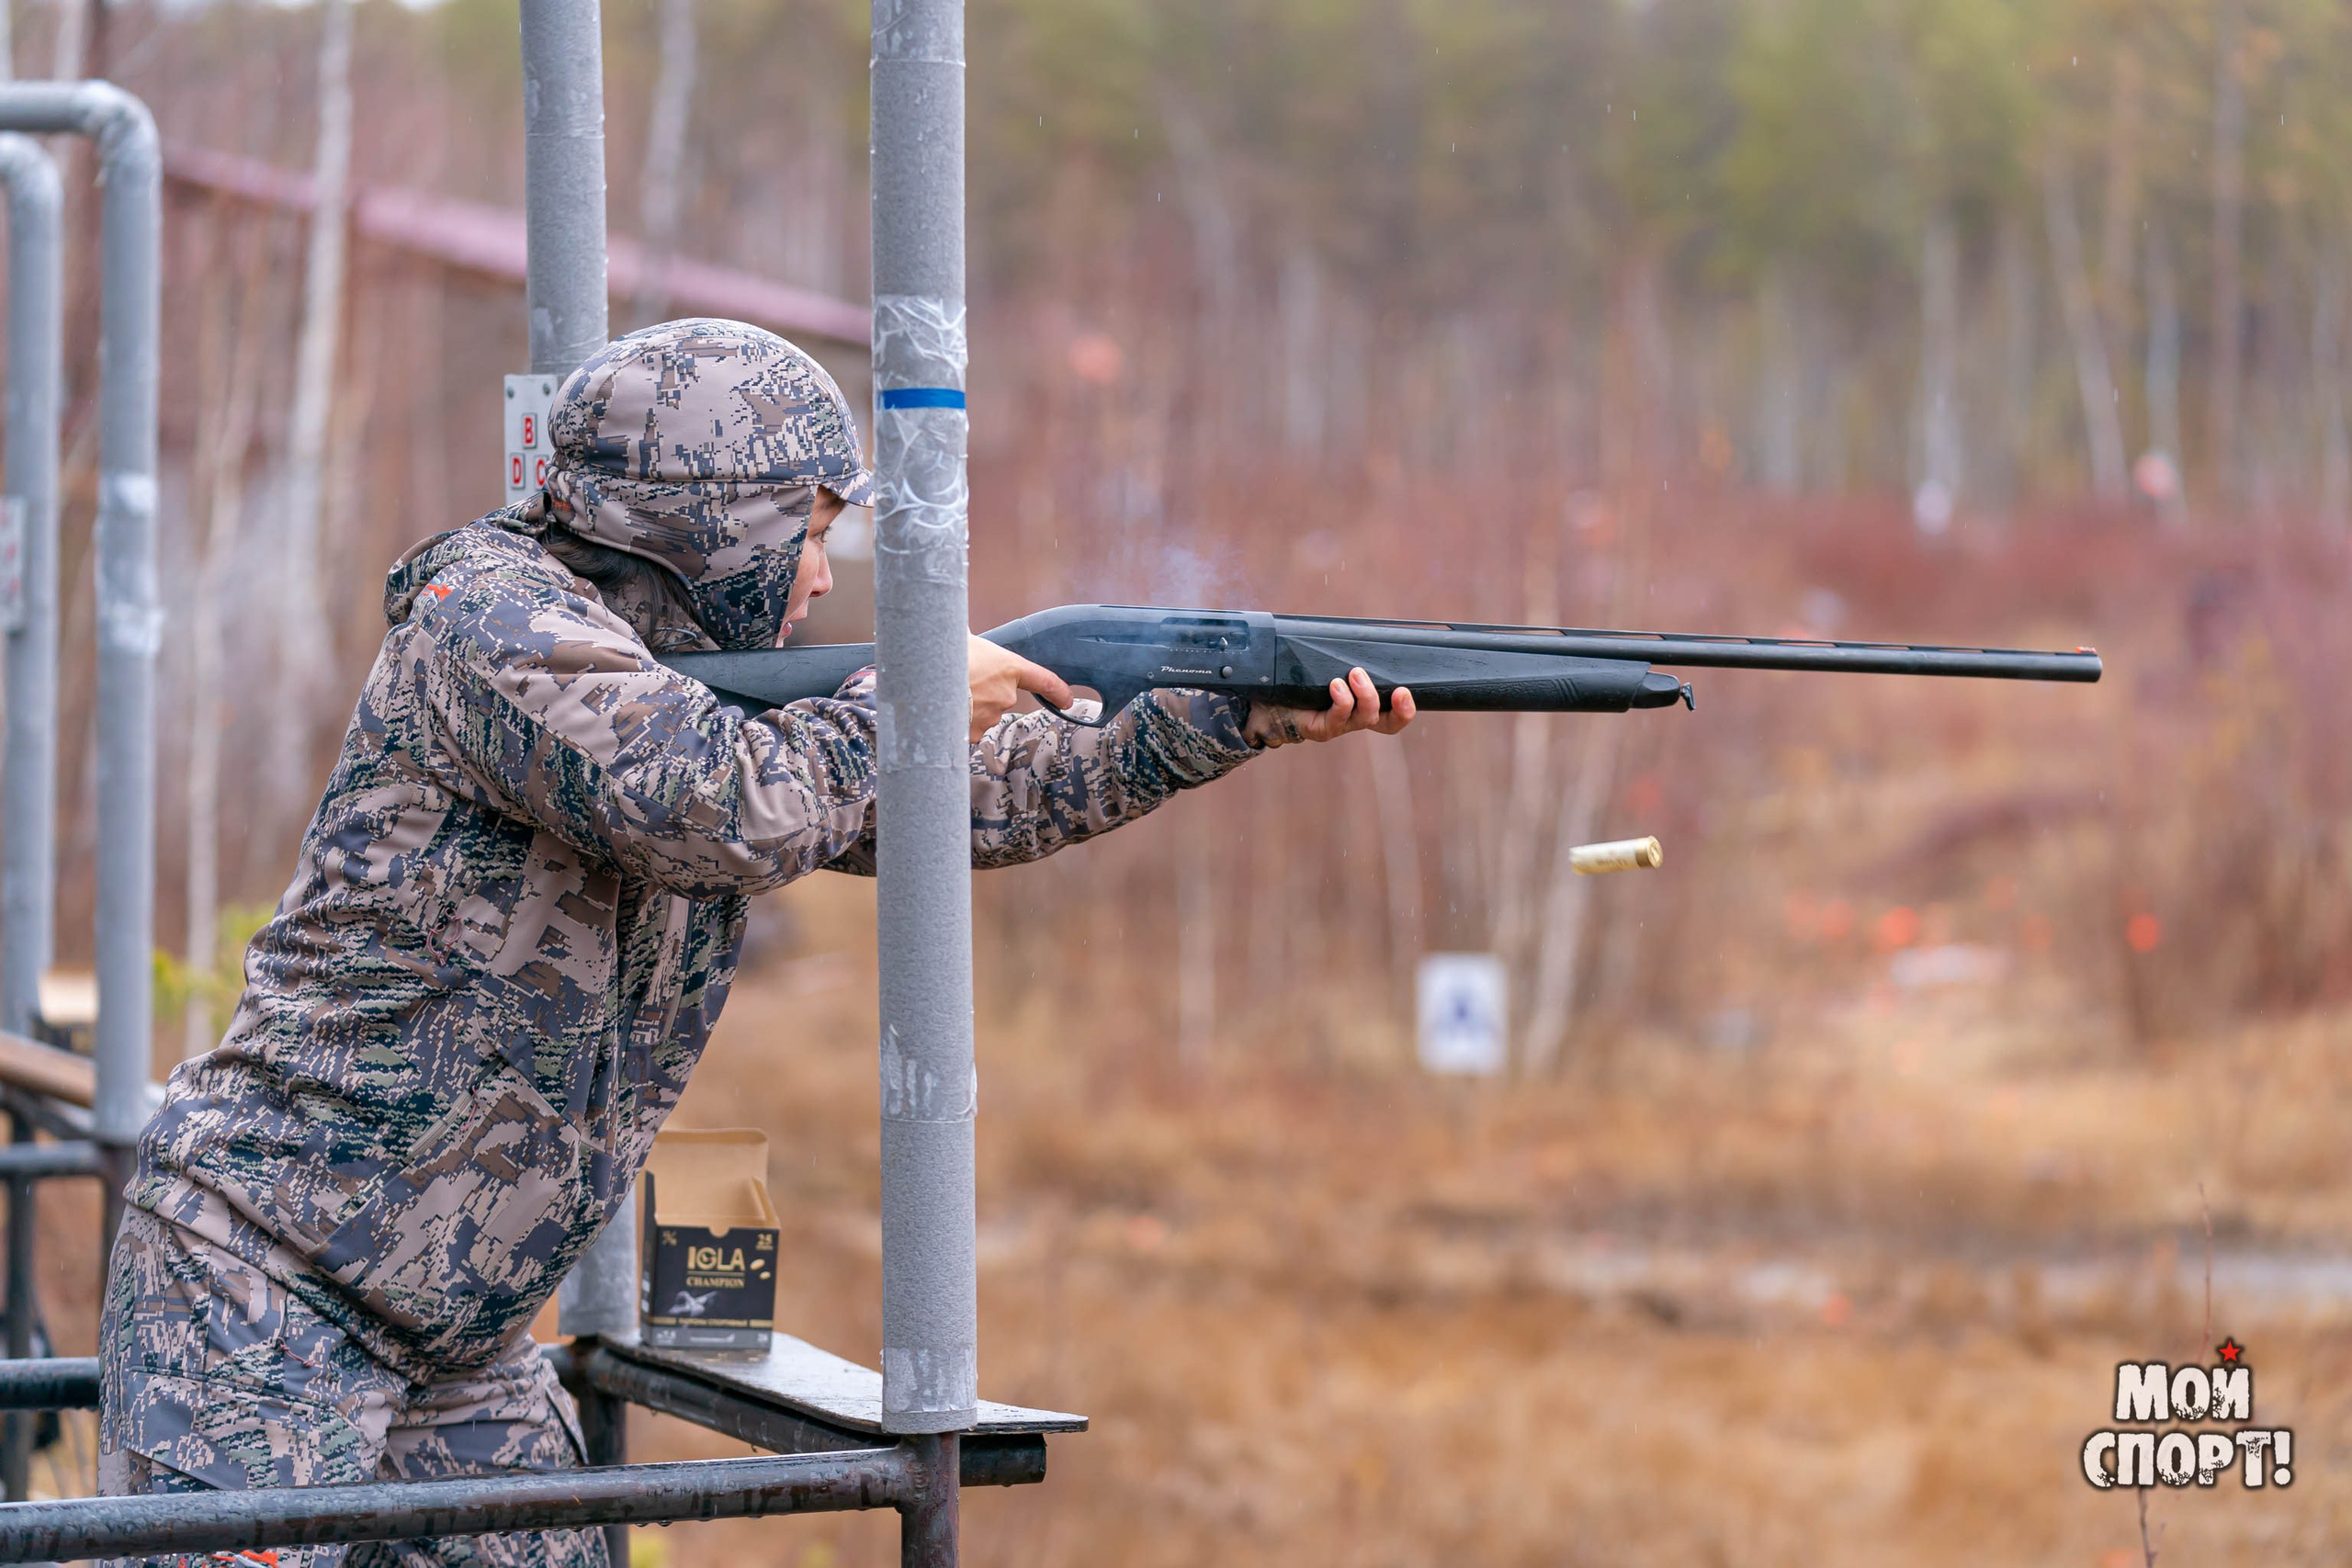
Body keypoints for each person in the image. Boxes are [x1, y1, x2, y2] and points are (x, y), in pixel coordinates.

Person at [97, 318, 1413, 1568]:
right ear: (710, 527)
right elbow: (714, 807)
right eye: (808, 533)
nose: (826, 575)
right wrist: (900, 701)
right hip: (265, 1294)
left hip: (459, 1333)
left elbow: (974, 797)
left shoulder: (687, 681)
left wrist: (1216, 721)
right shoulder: (486, 618)